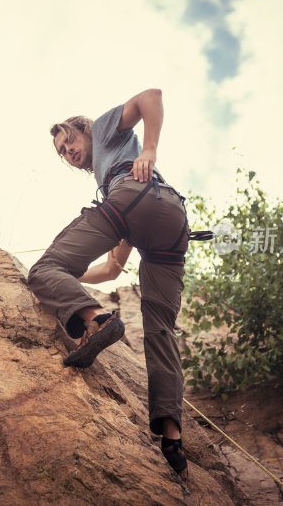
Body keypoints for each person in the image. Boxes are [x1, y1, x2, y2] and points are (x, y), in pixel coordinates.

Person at [27, 88, 189, 478]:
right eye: (62, 153)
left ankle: (98, 321)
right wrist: (68, 275)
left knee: (40, 271)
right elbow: (113, 269)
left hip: (132, 196)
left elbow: (151, 96)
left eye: (70, 141)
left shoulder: (104, 130)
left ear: (83, 130)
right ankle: (172, 436)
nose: (69, 152)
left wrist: (149, 150)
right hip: (170, 222)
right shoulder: (111, 168)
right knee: (161, 331)